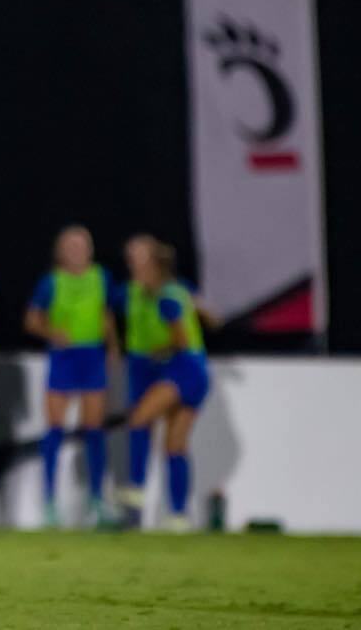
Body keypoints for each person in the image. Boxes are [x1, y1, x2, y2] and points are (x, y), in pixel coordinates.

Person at [23, 225, 117, 528]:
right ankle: (50, 504)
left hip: (91, 357)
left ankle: (96, 501)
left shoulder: (100, 278)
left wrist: (114, 347)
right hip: (64, 358)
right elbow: (32, 320)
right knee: (55, 428)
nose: (77, 250)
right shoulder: (52, 282)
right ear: (61, 252)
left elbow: (106, 314)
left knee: (94, 429)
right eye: (71, 245)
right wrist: (51, 332)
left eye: (82, 245)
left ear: (90, 249)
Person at [118, 238, 210, 531]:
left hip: (185, 369)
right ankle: (179, 516)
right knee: (175, 446)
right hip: (196, 372)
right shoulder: (167, 291)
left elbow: (180, 341)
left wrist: (159, 350)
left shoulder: (166, 296)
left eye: (142, 264)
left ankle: (136, 490)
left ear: (156, 267)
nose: (136, 269)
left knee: (139, 419)